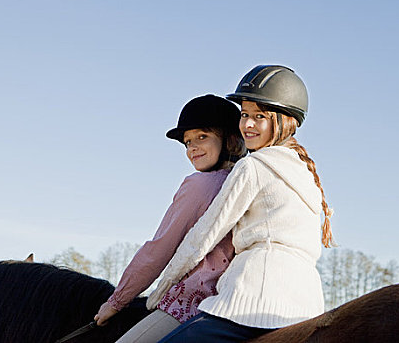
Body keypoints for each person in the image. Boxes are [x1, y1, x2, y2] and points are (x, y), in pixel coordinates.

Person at [146, 65, 335, 342]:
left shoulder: (254, 166)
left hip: (253, 302)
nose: (247, 124)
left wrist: (160, 291)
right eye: (245, 114)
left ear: (285, 121)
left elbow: (203, 237)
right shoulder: (308, 175)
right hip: (306, 308)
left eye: (259, 116)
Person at [93, 94, 246, 343]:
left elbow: (158, 250)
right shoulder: (245, 181)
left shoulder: (199, 185)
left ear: (229, 139)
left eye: (202, 137)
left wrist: (116, 301)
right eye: (187, 142)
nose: (192, 148)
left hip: (193, 301)